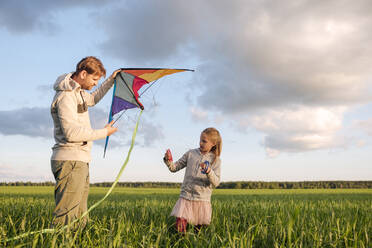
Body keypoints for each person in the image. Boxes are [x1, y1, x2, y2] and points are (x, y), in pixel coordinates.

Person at [50, 56, 119, 228]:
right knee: (66, 217)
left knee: (80, 216)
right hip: (70, 160)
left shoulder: (78, 93)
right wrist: (104, 132)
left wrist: (111, 81)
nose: (96, 83)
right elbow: (71, 133)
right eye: (94, 79)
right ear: (82, 74)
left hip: (79, 160)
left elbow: (93, 99)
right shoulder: (66, 96)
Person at [163, 127, 222, 233]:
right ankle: (180, 242)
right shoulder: (190, 154)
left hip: (202, 199)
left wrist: (209, 172)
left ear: (213, 143)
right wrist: (169, 160)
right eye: (200, 140)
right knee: (180, 228)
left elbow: (216, 182)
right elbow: (174, 168)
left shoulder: (216, 160)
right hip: (186, 196)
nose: (200, 143)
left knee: (198, 232)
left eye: (204, 141)